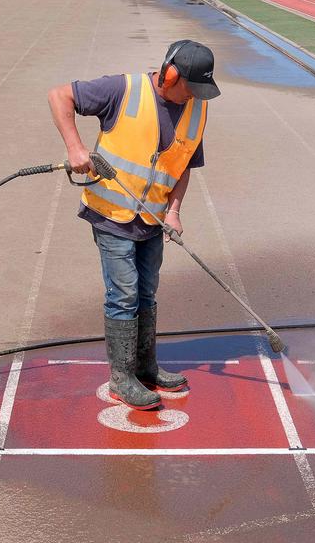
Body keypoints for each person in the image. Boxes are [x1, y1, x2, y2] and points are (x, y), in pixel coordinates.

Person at [47, 40, 220, 411]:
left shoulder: (196, 110)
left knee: (147, 293)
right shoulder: (123, 90)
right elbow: (59, 96)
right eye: (189, 86)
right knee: (124, 293)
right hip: (111, 214)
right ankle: (121, 378)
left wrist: (173, 211)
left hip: (153, 220)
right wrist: (75, 147)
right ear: (170, 74)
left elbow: (183, 166)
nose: (193, 96)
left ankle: (145, 367)